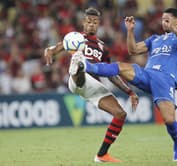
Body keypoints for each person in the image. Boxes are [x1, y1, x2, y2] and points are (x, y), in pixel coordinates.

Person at [76, 8, 177, 161]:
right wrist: (130, 31)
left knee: (169, 120)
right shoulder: (154, 39)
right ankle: (88, 66)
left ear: (176, 21)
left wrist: (175, 30)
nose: (163, 21)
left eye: (167, 19)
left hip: (164, 80)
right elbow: (133, 50)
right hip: (147, 74)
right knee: (121, 66)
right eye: (162, 19)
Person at [44, 7, 139, 163]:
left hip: (93, 86)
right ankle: (79, 67)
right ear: (83, 23)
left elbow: (112, 74)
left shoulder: (103, 48)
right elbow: (55, 49)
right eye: (89, 22)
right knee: (80, 62)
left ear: (99, 24)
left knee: (120, 114)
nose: (91, 25)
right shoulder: (75, 37)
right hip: (76, 80)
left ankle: (101, 155)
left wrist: (130, 92)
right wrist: (49, 50)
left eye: (95, 22)